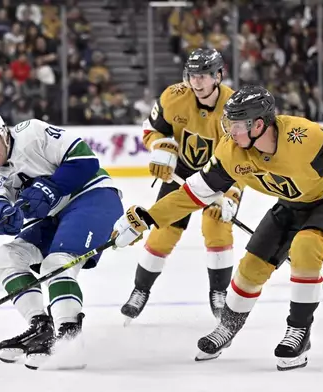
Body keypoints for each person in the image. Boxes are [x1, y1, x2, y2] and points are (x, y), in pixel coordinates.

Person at [111, 85, 323, 371]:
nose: (229, 131)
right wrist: (147, 217)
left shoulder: (302, 137)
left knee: (306, 248)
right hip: (291, 205)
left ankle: (299, 332)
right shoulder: (232, 150)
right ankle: (228, 327)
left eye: (236, 124)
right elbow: (194, 193)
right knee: (250, 268)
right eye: (227, 123)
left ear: (259, 124)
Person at [0, 108, 123, 370]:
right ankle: (41, 326)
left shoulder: (33, 133)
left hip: (94, 197)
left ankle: (69, 336)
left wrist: (51, 186)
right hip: (56, 216)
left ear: (3, 132)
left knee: (56, 263)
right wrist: (2, 216)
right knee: (6, 258)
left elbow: (85, 161)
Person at [121, 48, 241, 323]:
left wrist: (233, 192)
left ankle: (219, 293)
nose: (196, 82)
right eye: (193, 75)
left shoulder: (235, 107)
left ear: (218, 76)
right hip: (183, 172)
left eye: (203, 76)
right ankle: (140, 290)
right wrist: (162, 147)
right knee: (163, 231)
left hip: (222, 175)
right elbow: (152, 128)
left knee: (216, 227)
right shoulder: (173, 97)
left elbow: (245, 155)